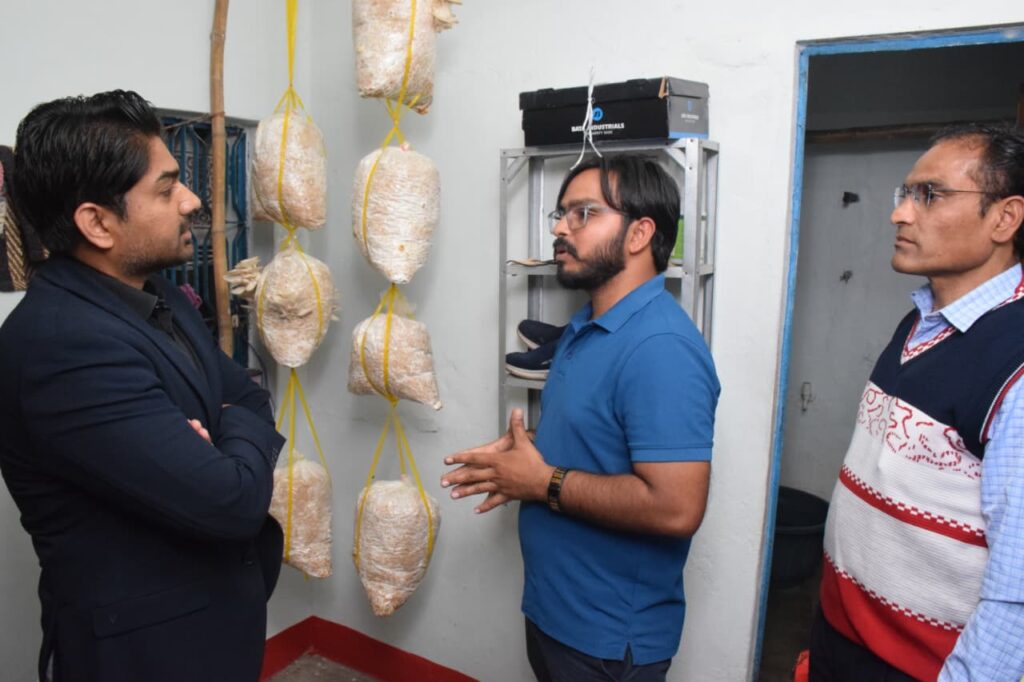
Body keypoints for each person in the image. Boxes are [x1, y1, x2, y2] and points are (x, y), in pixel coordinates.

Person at [0, 90, 285, 682]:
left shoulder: (156, 294)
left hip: (214, 625)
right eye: (166, 188)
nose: (192, 200)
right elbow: (232, 502)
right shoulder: (60, 345)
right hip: (145, 655)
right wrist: (229, 440)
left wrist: (221, 430)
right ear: (98, 223)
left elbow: (249, 395)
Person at [442, 155, 720, 681]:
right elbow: (597, 441)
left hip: (607, 641)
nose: (559, 229)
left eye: (583, 214)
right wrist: (523, 459)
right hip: (557, 614)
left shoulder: (662, 348)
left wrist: (540, 481)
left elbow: (677, 508)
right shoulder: (585, 326)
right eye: (561, 213)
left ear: (639, 234)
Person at [810, 124, 1024, 681]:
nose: (900, 214)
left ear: (1005, 218)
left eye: (930, 195)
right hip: (842, 640)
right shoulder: (921, 320)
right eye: (904, 194)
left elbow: (1016, 596)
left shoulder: (1015, 362)